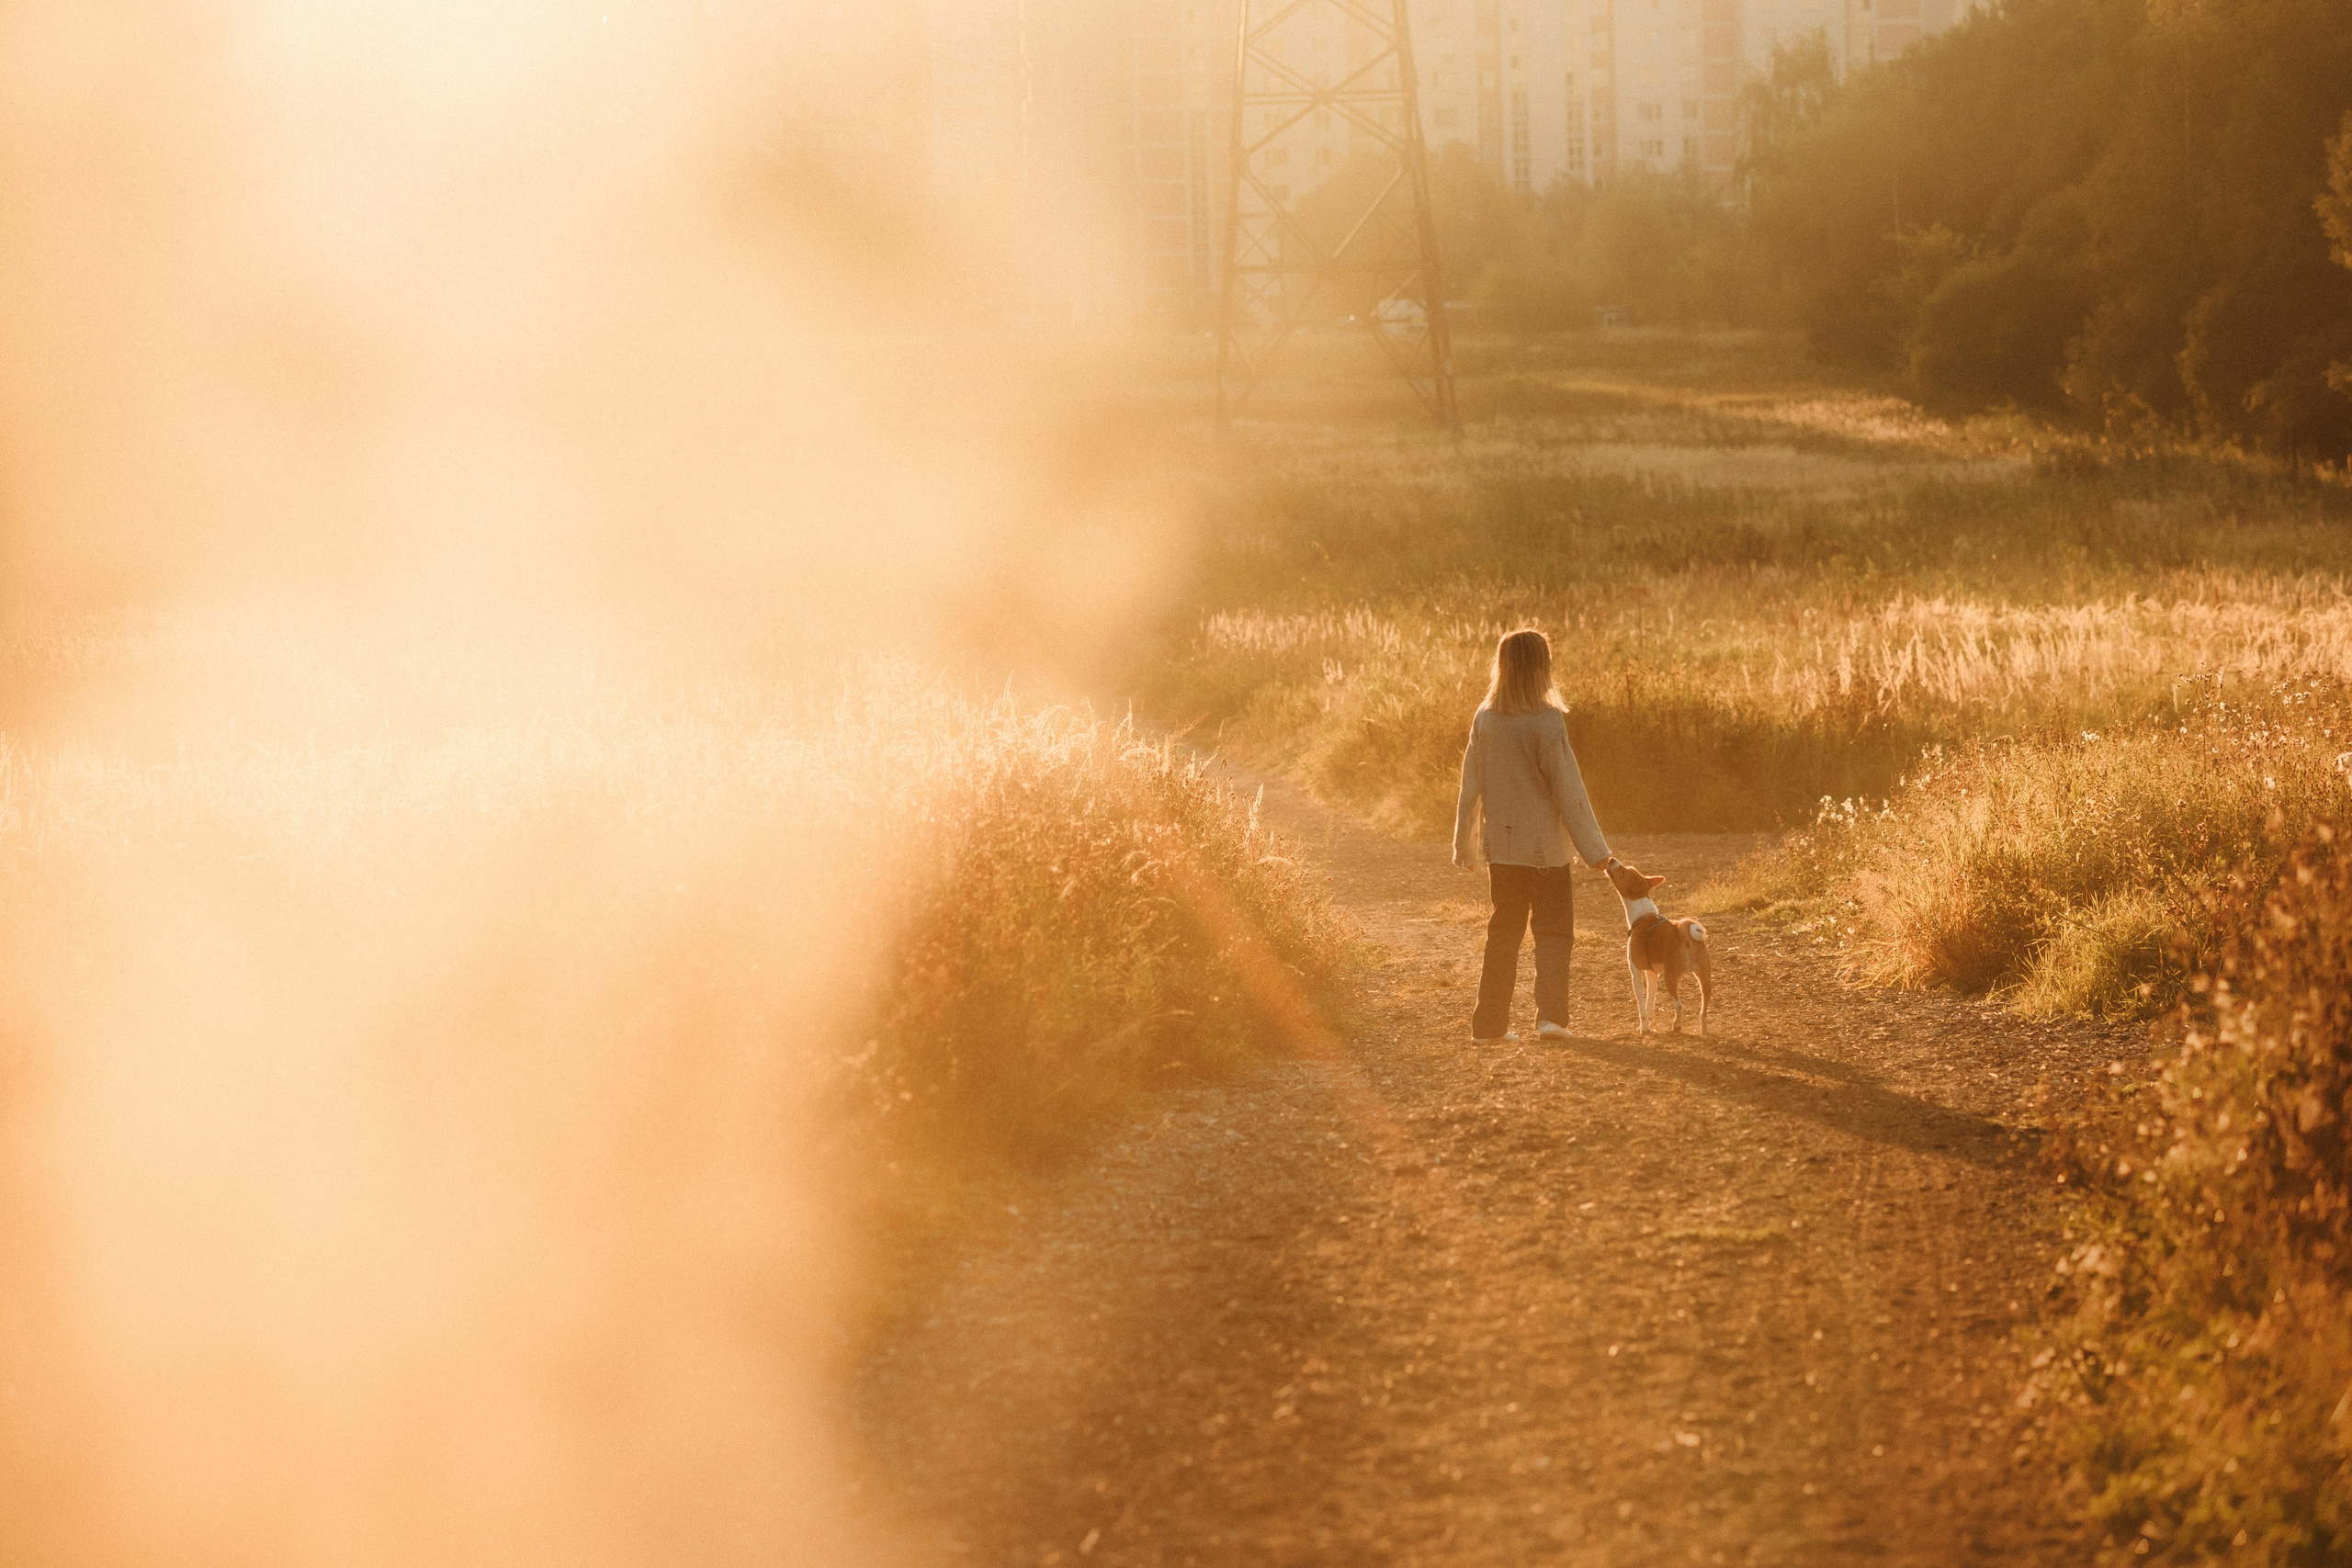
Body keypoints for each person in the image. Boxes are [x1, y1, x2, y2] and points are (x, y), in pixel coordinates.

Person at [1451, 628, 1615, 1044]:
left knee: (1502, 935)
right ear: (1541, 669)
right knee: (1555, 933)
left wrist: (1464, 845)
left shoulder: (1484, 718)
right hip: (1547, 852)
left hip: (1502, 852)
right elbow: (1569, 790)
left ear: (1502, 667)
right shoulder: (1547, 720)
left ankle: (1489, 1027)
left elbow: (1470, 785)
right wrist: (1596, 851)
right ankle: (1551, 1020)